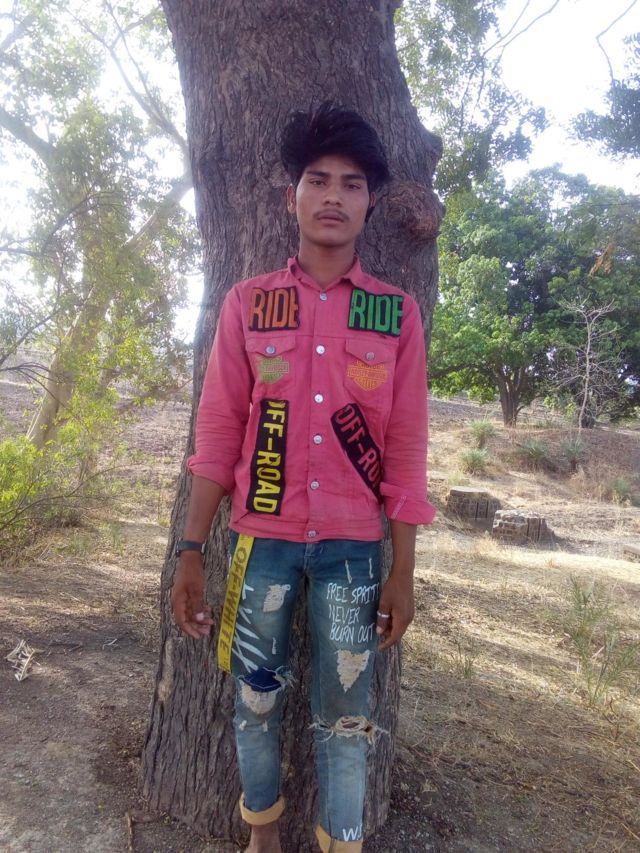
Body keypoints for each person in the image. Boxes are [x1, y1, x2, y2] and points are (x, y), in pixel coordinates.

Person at [171, 102, 436, 853]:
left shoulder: (395, 314)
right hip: (261, 544)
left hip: (355, 552)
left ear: (370, 202)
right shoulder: (250, 304)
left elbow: (407, 448)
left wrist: (402, 570)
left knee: (347, 716)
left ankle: (342, 843)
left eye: (351, 184)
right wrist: (190, 550)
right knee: (254, 701)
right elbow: (218, 433)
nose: (333, 196)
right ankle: (263, 837)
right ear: (292, 195)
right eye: (317, 180)